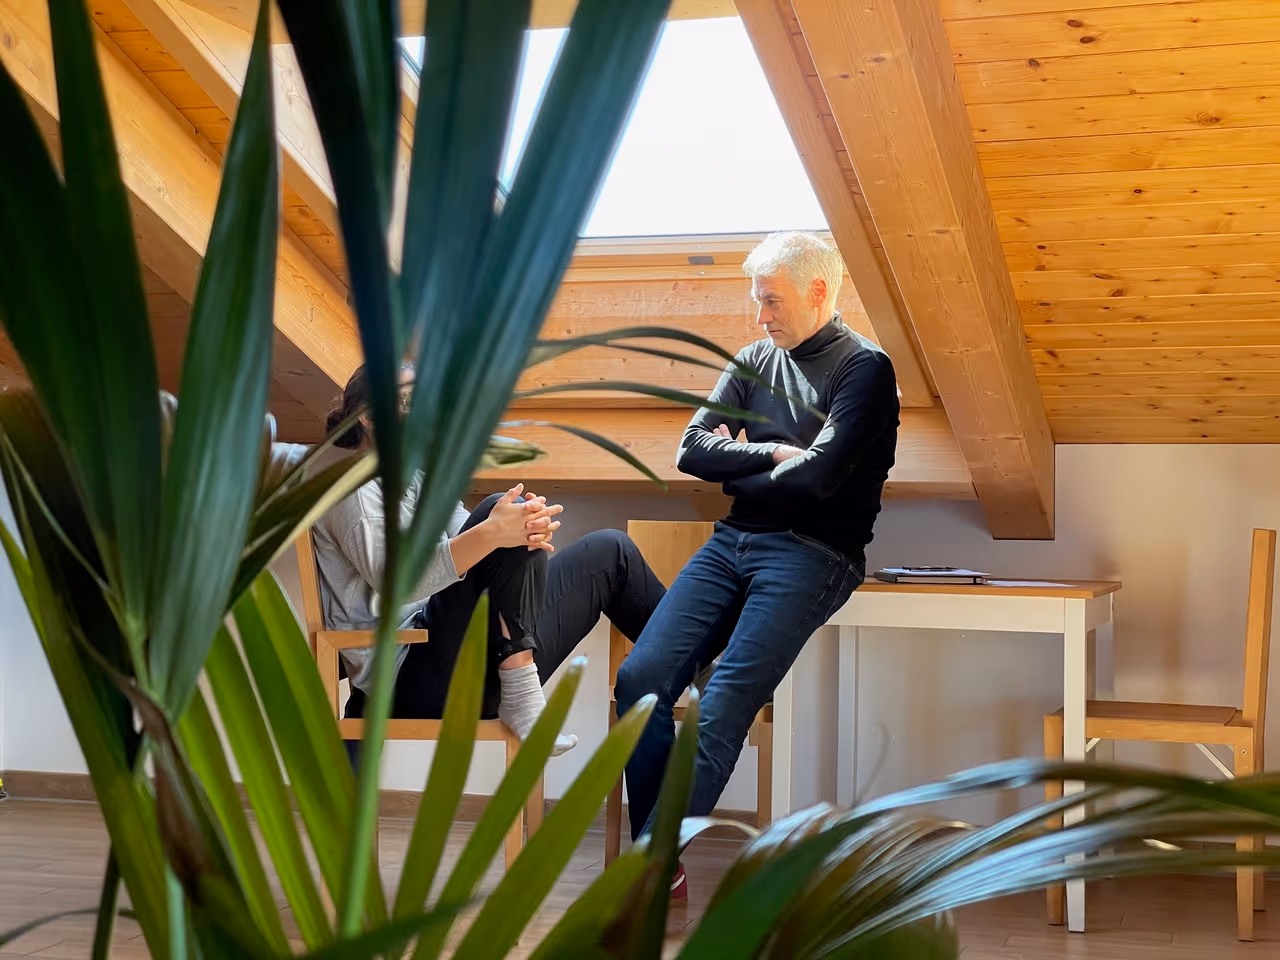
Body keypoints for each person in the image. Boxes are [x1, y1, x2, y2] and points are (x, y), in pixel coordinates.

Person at [614, 232, 899, 849]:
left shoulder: (865, 370)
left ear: (819, 292)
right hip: (732, 541)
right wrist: (771, 452)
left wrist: (738, 460)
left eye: (771, 300)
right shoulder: (751, 360)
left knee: (723, 702)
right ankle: (657, 855)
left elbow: (822, 479)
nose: (760, 315)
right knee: (640, 678)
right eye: (757, 300)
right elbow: (691, 452)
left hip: (814, 553)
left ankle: (649, 866)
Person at [312, 364, 666, 756]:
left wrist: (521, 529)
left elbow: (480, 546)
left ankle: (701, 673)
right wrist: (495, 530)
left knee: (609, 551)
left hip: (482, 658)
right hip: (414, 673)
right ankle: (522, 694)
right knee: (499, 512)